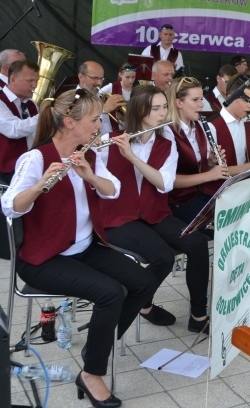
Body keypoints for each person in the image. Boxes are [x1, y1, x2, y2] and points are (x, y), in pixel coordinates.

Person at [1, 88, 158, 408]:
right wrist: (39, 184)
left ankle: (97, 345)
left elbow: (112, 189)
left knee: (142, 283)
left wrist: (89, 174)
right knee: (111, 292)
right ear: (70, 123)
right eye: (94, 119)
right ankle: (91, 373)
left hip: (84, 247)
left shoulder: (89, 153)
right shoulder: (35, 158)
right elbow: (9, 207)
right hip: (44, 257)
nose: (100, 124)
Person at [98, 85, 212, 333]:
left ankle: (198, 314)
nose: (162, 114)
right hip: (119, 218)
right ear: (139, 111)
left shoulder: (166, 141)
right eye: (156, 109)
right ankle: (143, 305)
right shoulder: (109, 142)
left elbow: (164, 184)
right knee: (163, 257)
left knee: (198, 243)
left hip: (154, 212)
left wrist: (133, 158)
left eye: (164, 108)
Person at [166, 76, 229, 225]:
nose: (201, 105)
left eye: (201, 99)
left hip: (202, 194)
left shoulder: (202, 126)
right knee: (220, 226)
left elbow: (197, 164)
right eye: (195, 100)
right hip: (178, 201)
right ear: (179, 102)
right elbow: (169, 180)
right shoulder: (167, 132)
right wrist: (210, 175)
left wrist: (211, 161)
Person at [0, 60, 40, 184]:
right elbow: (14, 129)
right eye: (30, 81)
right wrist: (45, 116)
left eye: (36, 81)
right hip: (6, 170)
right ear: (13, 79)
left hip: (28, 165)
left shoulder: (31, 104)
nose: (34, 85)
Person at [78, 61, 119, 135]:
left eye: (101, 79)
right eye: (95, 78)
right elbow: (79, 127)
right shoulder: (74, 98)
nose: (99, 83)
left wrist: (121, 118)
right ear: (81, 77)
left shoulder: (101, 95)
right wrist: (104, 111)